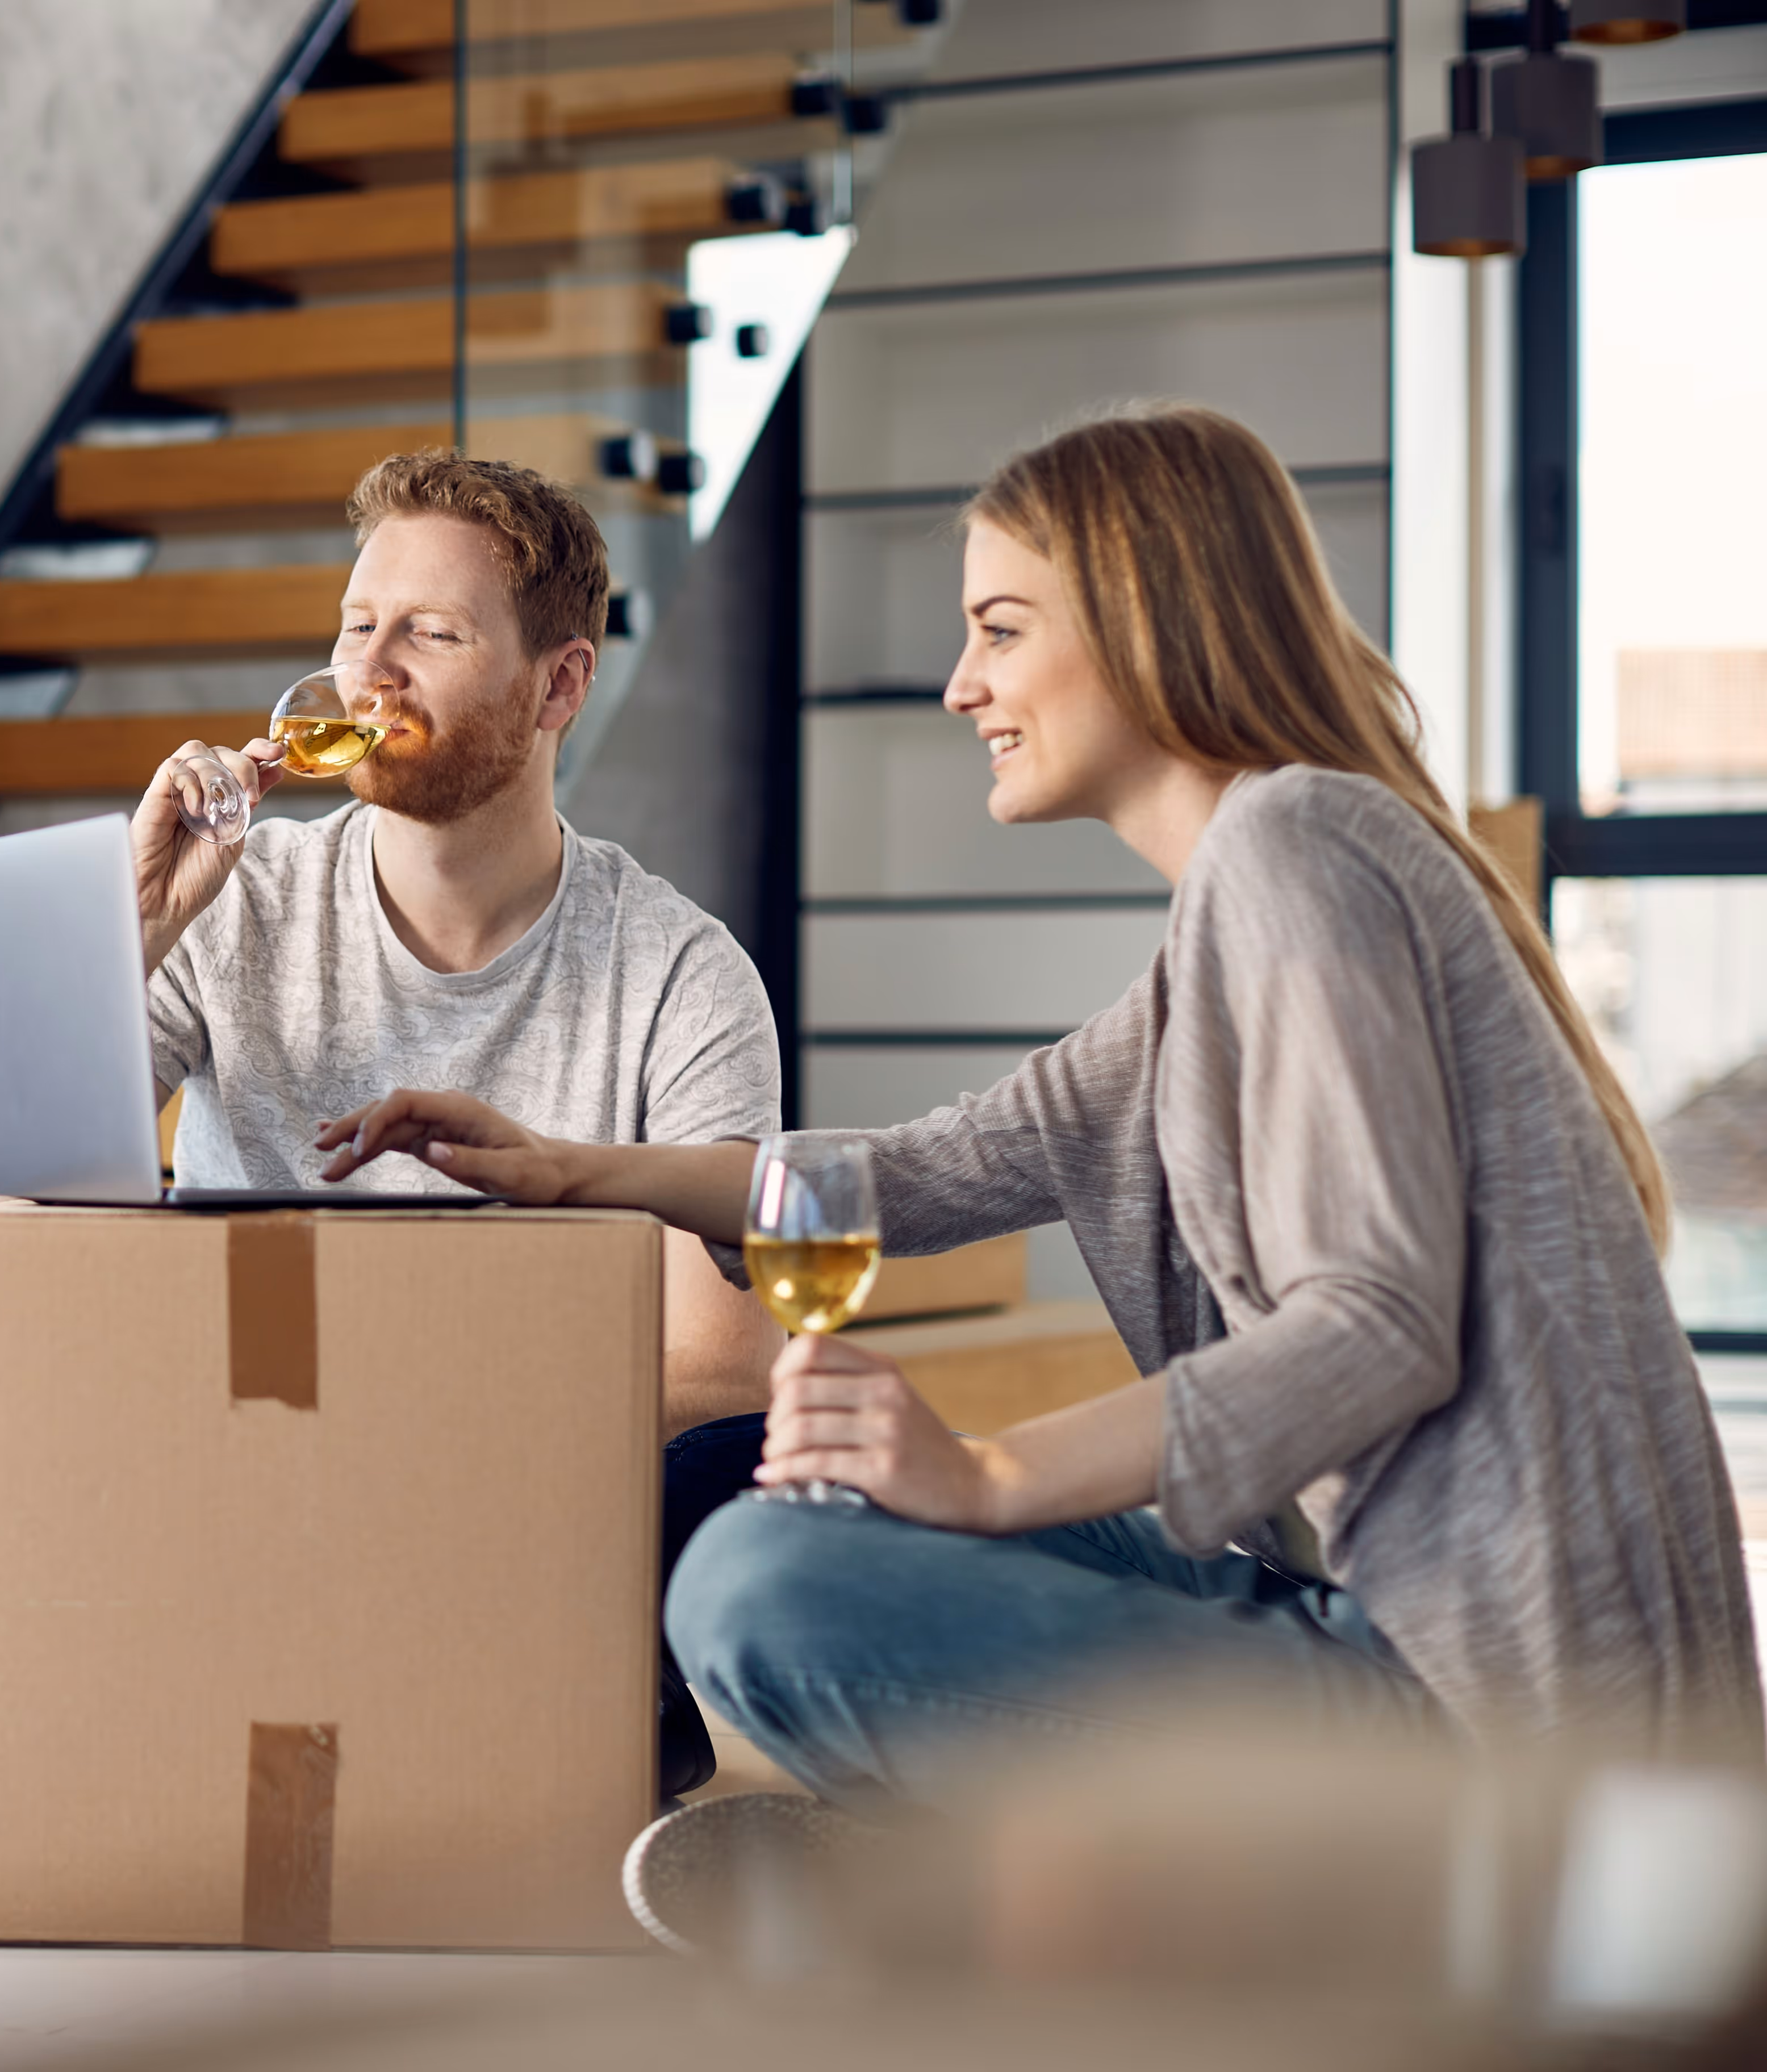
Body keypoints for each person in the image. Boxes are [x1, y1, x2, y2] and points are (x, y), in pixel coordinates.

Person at [316, 406, 1761, 1917]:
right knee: (767, 1487)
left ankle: (1078, 1904)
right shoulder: (1239, 916)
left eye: (1001, 630)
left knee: (760, 1589)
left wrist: (990, 1475)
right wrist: (576, 1171)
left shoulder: (1298, 852)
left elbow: (1376, 1324)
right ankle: (1066, 1887)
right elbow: (917, 1175)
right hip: (1355, 1617)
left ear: (1142, 624)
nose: (961, 687)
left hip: (1499, 1726)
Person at [0, 451, 787, 1796]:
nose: (373, 674)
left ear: (558, 684)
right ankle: (468, 1673)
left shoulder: (680, 970)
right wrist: (128, 935)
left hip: (489, 1482)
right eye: (357, 625)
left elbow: (729, 1365)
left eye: (431, 634)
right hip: (219, 1454)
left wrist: (385, 1423)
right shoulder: (236, 902)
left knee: (762, 1469)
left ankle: (236, 1647)